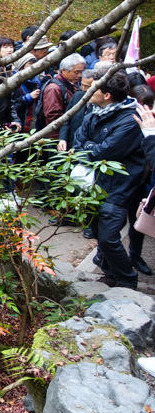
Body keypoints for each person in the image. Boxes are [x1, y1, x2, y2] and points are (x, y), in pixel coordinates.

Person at [74, 72, 146, 288]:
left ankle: (127, 279)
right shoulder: (93, 112)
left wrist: (91, 148)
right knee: (96, 231)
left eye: (93, 89)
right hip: (93, 183)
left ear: (106, 95)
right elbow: (78, 143)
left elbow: (107, 151)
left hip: (118, 186)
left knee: (108, 236)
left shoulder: (130, 119)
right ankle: (110, 274)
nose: (88, 91)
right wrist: (91, 148)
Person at [42, 53, 85, 138]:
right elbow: (52, 116)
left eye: (81, 72)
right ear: (64, 70)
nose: (80, 75)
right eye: (76, 72)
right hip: (56, 137)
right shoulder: (53, 89)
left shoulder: (73, 85)